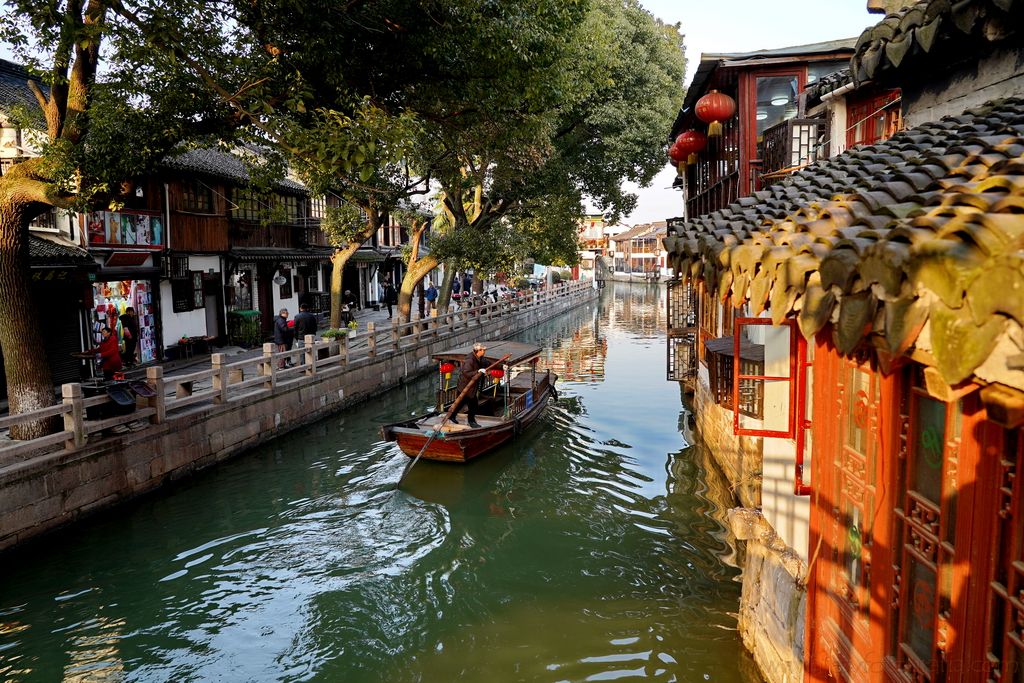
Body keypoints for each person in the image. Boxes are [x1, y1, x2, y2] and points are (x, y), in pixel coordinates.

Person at [448, 342, 487, 428]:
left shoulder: (480, 358)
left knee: (461, 403)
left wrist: (500, 366)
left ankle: (452, 416)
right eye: (483, 350)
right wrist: (478, 371)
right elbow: (466, 372)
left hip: (471, 386)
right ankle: (471, 421)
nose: (484, 351)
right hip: (465, 386)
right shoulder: (470, 359)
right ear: (478, 350)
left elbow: (487, 363)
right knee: (473, 405)